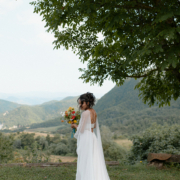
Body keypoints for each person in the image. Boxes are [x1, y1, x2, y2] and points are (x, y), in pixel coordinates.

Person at [71, 92, 111, 180]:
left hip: (86, 138)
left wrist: (74, 126)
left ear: (87, 103)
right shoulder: (93, 112)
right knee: (93, 159)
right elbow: (94, 126)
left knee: (85, 159)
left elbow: (81, 130)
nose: (80, 105)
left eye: (82, 103)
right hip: (92, 136)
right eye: (79, 103)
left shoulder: (85, 113)